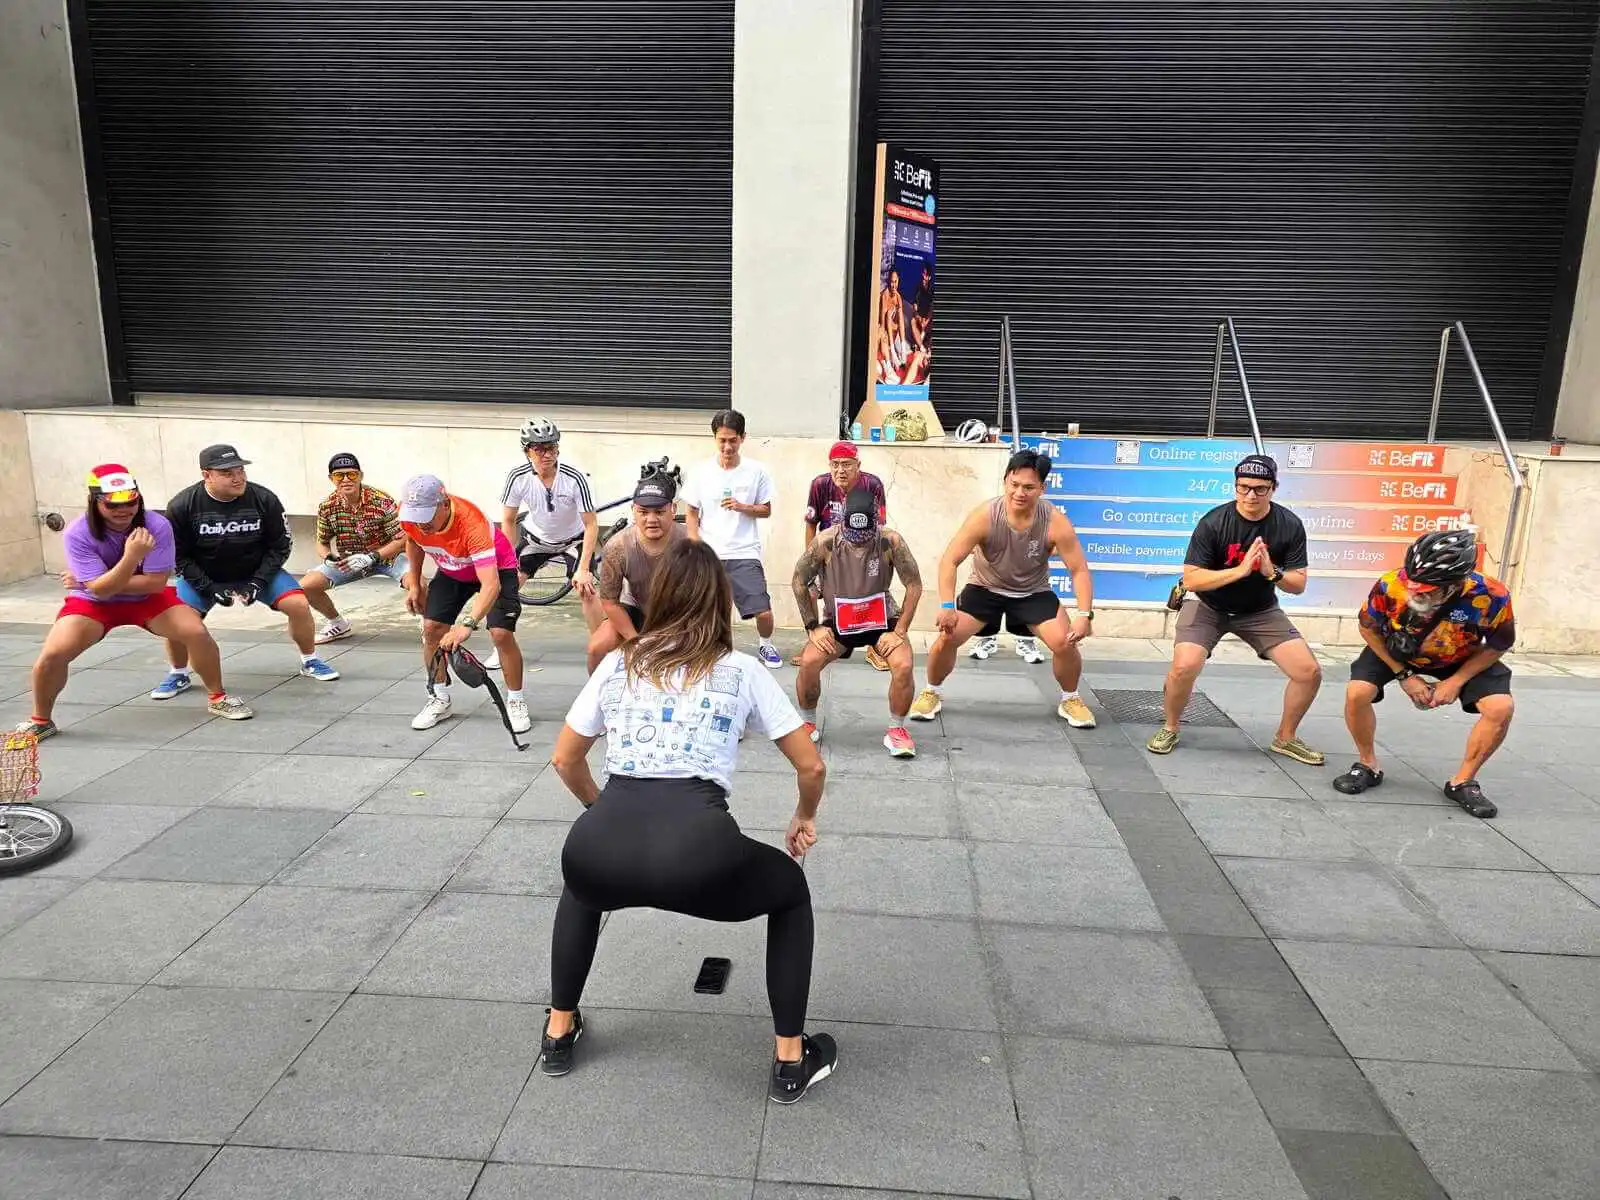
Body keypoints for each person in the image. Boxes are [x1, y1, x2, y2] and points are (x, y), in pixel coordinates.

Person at [541, 539, 836, 1103]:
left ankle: (559, 1030)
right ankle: (791, 1059)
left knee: (583, 882)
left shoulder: (617, 663)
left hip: (601, 842)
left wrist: (602, 813)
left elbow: (564, 758)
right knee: (790, 891)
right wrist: (802, 814)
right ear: (719, 601)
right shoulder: (742, 670)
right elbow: (812, 764)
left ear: (659, 596)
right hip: (699, 855)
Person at [15, 464, 253, 738]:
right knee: (53, 654)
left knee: (195, 631)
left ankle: (217, 697)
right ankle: (41, 720)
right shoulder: (77, 533)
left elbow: (154, 583)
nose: (123, 511)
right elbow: (101, 592)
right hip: (93, 603)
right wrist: (130, 558)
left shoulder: (157, 525)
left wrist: (94, 580)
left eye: (131, 502)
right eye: (113, 506)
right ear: (95, 502)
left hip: (146, 598)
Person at [1146, 454, 1323, 764]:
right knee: (1184, 666)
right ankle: (1170, 726)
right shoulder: (1214, 523)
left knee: (1308, 672)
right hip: (1207, 604)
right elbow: (1192, 578)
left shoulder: (1289, 525)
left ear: (1274, 488)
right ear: (1235, 486)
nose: (1250, 495)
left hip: (1259, 609)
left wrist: (1272, 572)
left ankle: (1286, 738)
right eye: (1243, 488)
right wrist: (1240, 571)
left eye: (1259, 489)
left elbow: (1298, 584)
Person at [1333, 529, 1515, 818]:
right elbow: (1368, 627)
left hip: (1461, 655)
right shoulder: (1390, 584)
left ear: (1454, 584)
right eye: (1412, 582)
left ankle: (1462, 781)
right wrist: (1404, 675)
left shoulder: (1492, 595)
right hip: (1398, 651)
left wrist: (1456, 681)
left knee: (1501, 707)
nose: (1414, 591)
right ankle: (1367, 765)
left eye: (1426, 588)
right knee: (1357, 692)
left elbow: (1499, 643)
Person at [910, 450, 1098, 727]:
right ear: (1005, 481)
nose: (1019, 492)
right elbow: (950, 560)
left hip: (1032, 592)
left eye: (1029, 487)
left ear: (1042, 489)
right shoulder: (986, 516)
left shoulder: (1055, 522)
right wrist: (947, 606)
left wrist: (1084, 615)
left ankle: (1070, 698)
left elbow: (1079, 569)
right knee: (946, 638)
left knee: (1066, 642)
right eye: (1014, 484)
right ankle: (931, 692)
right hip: (985, 589)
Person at [153, 444, 339, 699]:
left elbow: (281, 545)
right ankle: (178, 673)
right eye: (227, 473)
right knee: (179, 619)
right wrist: (209, 587)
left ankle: (310, 660)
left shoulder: (264, 498)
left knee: (298, 604)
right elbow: (178, 556)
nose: (238, 477)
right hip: (204, 575)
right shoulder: (183, 505)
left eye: (240, 470)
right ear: (207, 475)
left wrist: (258, 582)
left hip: (256, 572)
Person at [790, 487, 923, 757]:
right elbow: (798, 581)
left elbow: (914, 584)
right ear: (842, 521)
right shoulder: (825, 541)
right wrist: (812, 627)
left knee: (904, 664)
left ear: (876, 520)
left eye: (864, 538)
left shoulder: (891, 541)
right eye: (854, 537)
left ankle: (896, 729)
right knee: (809, 661)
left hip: (881, 617)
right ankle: (807, 722)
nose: (859, 543)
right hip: (839, 618)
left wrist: (900, 630)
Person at [400, 473, 531, 734]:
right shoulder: (411, 517)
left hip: (495, 568)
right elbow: (412, 541)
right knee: (432, 630)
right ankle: (438, 697)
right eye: (416, 516)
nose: (422, 524)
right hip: (452, 568)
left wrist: (467, 624)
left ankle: (516, 700)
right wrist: (415, 582)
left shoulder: (472, 524)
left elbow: (490, 584)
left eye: (426, 517)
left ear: (444, 504)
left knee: (501, 633)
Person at [683, 409, 781, 667]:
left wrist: (742, 506)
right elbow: (691, 512)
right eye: (722, 440)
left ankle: (766, 646)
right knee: (712, 610)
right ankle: (715, 651)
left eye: (732, 440)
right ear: (715, 438)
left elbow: (766, 509)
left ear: (743, 438)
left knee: (763, 610)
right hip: (710, 552)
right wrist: (694, 544)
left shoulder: (756, 471)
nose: (727, 446)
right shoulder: (701, 471)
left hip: (744, 551)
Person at [502, 416, 600, 637]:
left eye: (552, 448)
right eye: (539, 449)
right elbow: (508, 520)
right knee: (505, 587)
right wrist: (506, 560)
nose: (547, 455)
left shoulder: (575, 478)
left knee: (587, 590)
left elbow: (591, 524)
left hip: (574, 540)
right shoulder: (518, 477)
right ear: (527, 451)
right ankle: (502, 642)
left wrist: (584, 569)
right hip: (536, 540)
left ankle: (600, 646)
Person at [793, 440, 888, 668]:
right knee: (811, 592)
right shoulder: (820, 484)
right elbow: (810, 523)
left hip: (863, 552)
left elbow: (880, 525)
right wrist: (812, 560)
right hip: (827, 553)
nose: (840, 470)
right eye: (835, 464)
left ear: (858, 465)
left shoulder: (872, 485)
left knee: (870, 596)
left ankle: (873, 646)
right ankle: (814, 640)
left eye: (846, 464)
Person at [299, 453, 409, 644]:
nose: (346, 480)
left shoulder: (381, 501)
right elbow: (321, 541)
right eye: (339, 476)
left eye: (352, 474)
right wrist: (329, 558)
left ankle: (430, 626)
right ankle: (338, 623)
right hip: (349, 560)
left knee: (417, 582)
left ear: (360, 476)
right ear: (331, 479)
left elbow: (402, 540)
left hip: (387, 557)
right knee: (306, 586)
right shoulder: (328, 506)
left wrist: (373, 557)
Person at [586, 473, 687, 671]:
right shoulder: (618, 546)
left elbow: (706, 596)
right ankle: (599, 699)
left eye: (659, 512)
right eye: (643, 512)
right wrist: (635, 641)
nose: (651, 519)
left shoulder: (691, 543)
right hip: (635, 609)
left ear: (673, 509)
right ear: (633, 511)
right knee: (597, 647)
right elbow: (610, 602)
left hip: (679, 613)